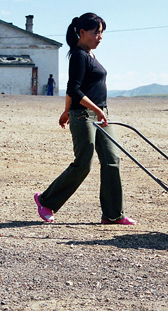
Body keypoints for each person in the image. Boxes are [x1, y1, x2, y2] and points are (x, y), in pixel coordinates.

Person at [34, 13, 135, 225]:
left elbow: (77, 87)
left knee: (111, 159)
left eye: (102, 33)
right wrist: (90, 110)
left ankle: (113, 214)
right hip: (84, 116)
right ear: (82, 33)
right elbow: (74, 88)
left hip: (98, 115)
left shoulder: (90, 55)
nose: (100, 37)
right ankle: (46, 201)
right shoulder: (79, 55)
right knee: (83, 164)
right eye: (96, 32)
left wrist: (66, 110)